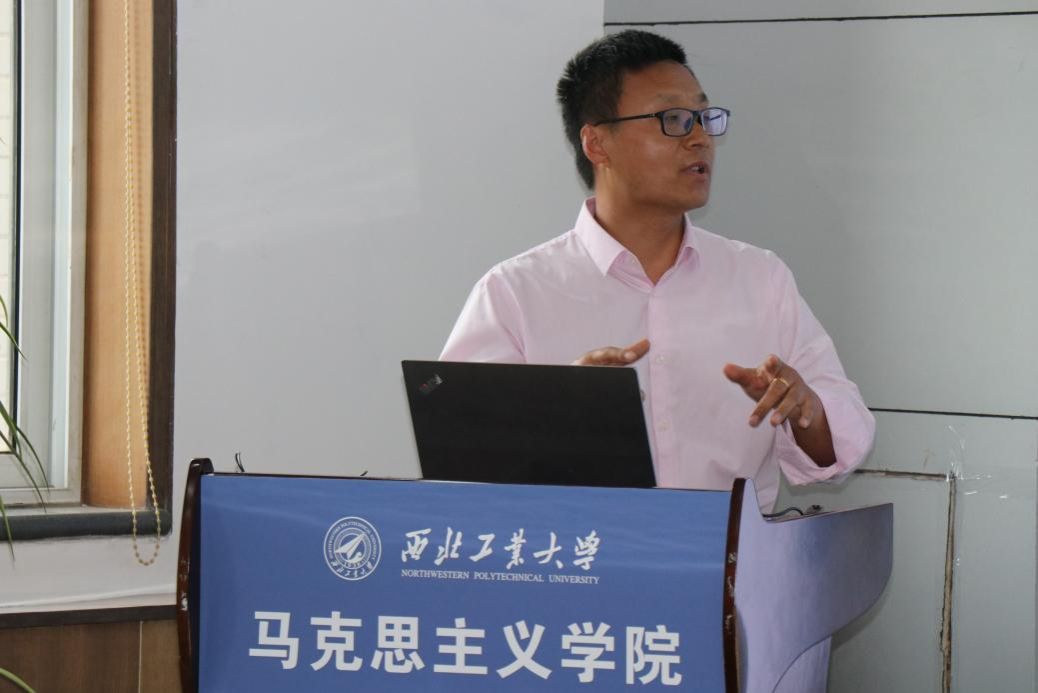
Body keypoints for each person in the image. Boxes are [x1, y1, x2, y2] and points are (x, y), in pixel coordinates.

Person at [440, 29, 874, 514]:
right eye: (673, 120)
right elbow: (461, 470)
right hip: (581, 557)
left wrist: (806, 411)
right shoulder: (514, 293)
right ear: (597, 143)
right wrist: (557, 409)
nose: (699, 138)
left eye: (703, 117)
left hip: (729, 559)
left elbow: (843, 444)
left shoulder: (760, 279)